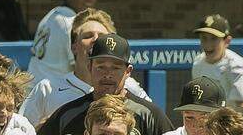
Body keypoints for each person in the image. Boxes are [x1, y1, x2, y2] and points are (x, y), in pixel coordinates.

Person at [37, 33, 173, 135]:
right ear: (90, 67)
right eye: (100, 66)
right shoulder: (67, 115)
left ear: (128, 71)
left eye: (115, 68)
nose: (107, 74)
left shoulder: (149, 115)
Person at [20, 8, 149, 126]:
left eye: (102, 37)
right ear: (74, 46)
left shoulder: (129, 87)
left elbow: (153, 123)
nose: (95, 40)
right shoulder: (47, 89)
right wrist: (43, 129)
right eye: (88, 36)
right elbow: (18, 133)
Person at [28, 0, 102, 81]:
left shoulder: (51, 15)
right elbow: (81, 69)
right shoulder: (70, 22)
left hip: (36, 88)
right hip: (51, 92)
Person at [192, 14, 243, 111]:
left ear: (227, 41)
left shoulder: (237, 66)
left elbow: (242, 108)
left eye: (214, 38)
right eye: (204, 38)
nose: (208, 44)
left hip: (238, 122)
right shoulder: (198, 63)